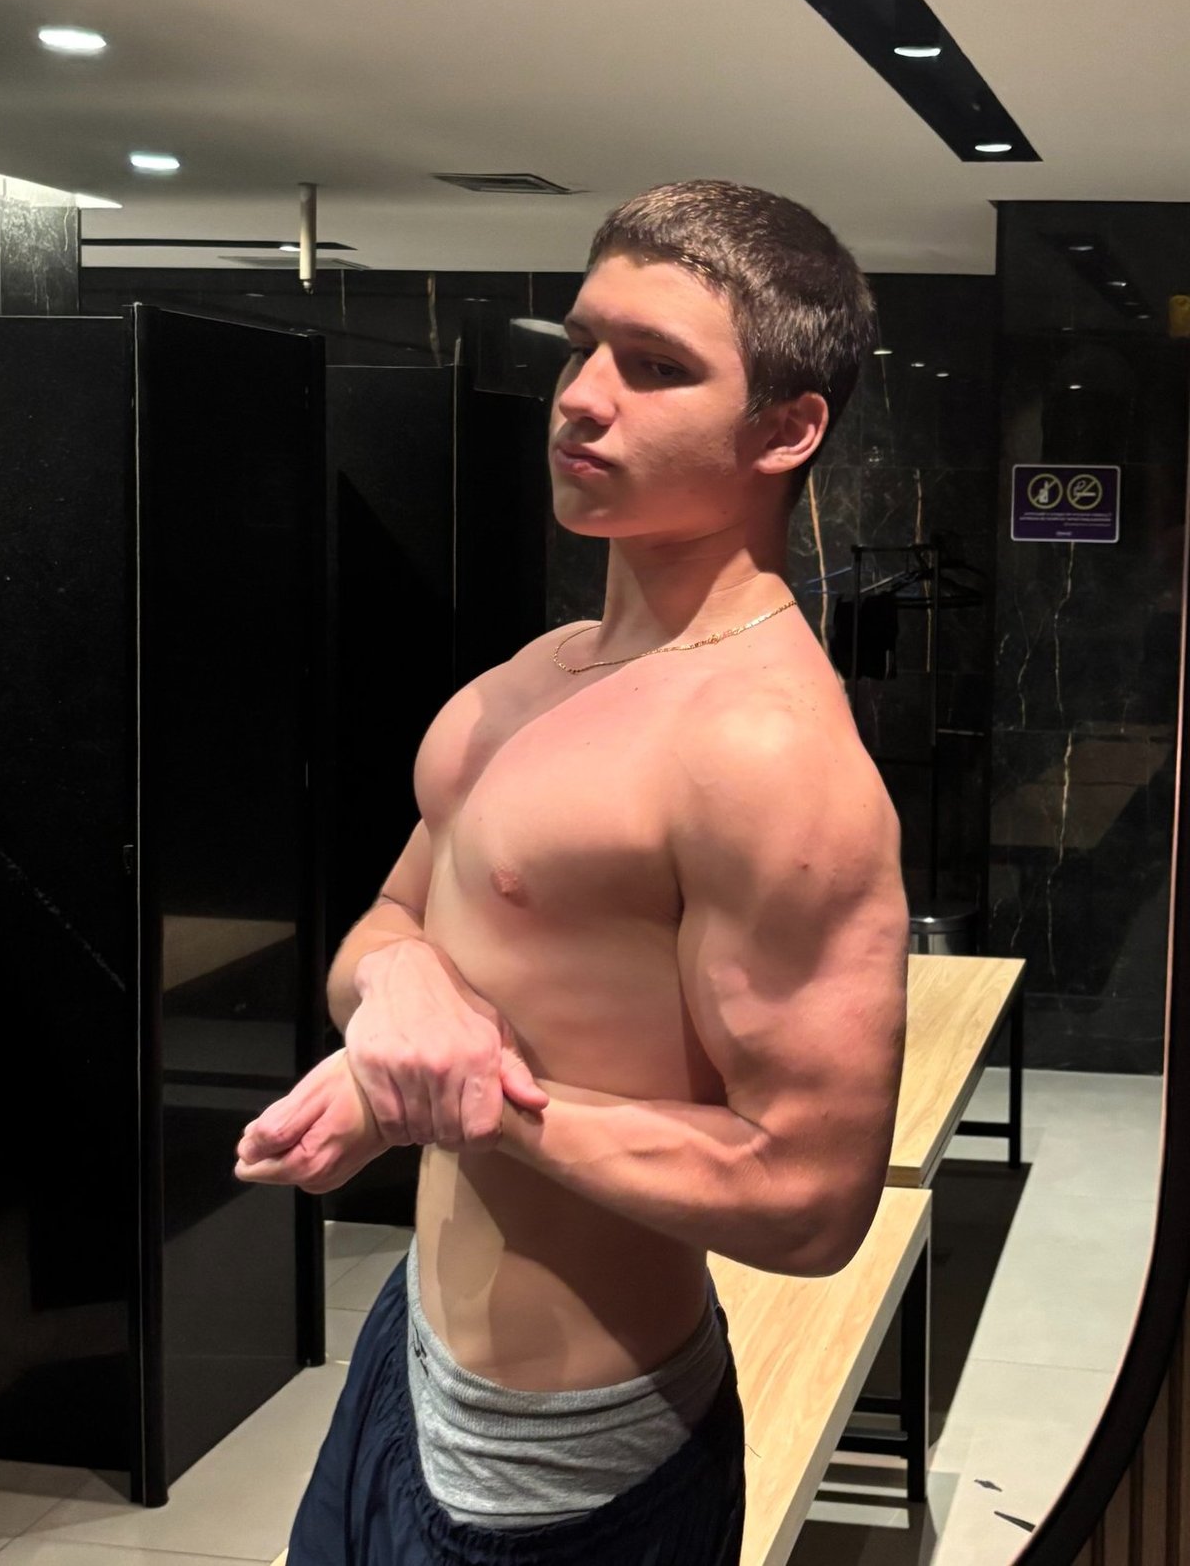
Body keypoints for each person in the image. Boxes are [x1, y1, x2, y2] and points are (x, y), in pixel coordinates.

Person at [236, 179, 910, 1564]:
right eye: (583, 346)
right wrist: (405, 1001)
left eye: (656, 368)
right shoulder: (537, 676)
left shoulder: (764, 751)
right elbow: (388, 923)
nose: (581, 398)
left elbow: (811, 1197)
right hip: (407, 1357)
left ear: (786, 430)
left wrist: (462, 1096)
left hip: (567, 1466)